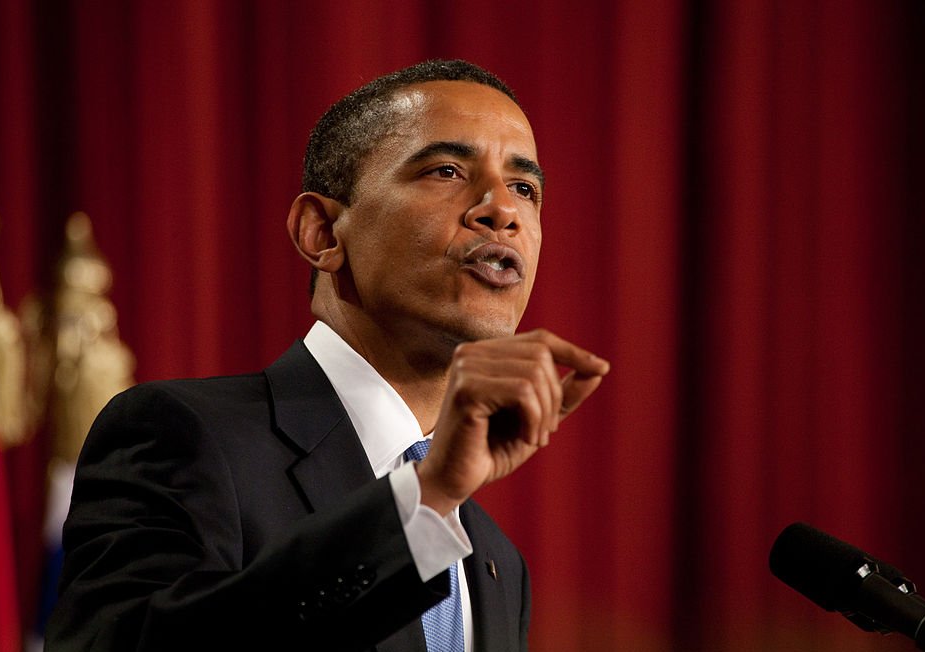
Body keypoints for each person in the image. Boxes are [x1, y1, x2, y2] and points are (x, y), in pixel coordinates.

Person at [46, 60, 609, 652]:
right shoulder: (183, 436)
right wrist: (427, 498)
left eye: (525, 188)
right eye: (446, 170)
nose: (503, 210)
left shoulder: (497, 562)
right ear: (322, 233)